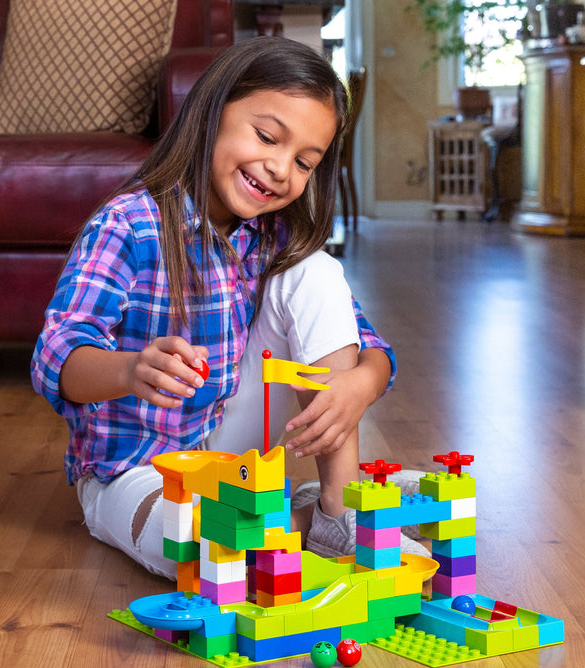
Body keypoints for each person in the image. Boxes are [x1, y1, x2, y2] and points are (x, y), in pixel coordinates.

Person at [31, 36, 426, 581]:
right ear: (213, 111)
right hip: (135, 471)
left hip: (236, 453)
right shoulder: (129, 225)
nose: (280, 169)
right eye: (267, 136)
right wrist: (130, 368)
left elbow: (369, 346)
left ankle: (337, 509)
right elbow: (55, 358)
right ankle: (292, 514)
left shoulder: (275, 239)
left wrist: (359, 386)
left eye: (305, 162)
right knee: (212, 557)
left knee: (316, 268)